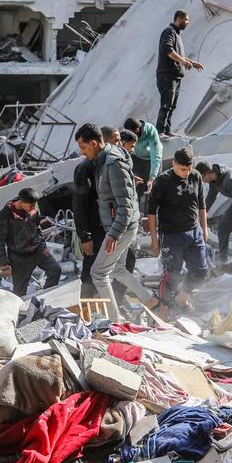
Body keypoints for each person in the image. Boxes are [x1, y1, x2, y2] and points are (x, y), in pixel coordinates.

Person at [77, 123, 139, 320]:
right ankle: (145, 301)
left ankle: (114, 320)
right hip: (116, 226)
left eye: (83, 147)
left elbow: (126, 206)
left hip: (121, 226)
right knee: (116, 270)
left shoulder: (112, 163)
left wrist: (114, 233)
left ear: (94, 143)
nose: (82, 152)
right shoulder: (104, 161)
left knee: (98, 272)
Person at [146, 148, 209, 311]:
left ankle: (181, 298)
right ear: (174, 164)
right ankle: (163, 310)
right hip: (171, 235)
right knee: (172, 274)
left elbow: (201, 204)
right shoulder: (163, 180)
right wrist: (154, 239)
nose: (187, 173)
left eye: (189, 168)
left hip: (194, 232)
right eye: (183, 169)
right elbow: (151, 211)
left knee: (200, 271)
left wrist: (204, 228)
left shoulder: (196, 176)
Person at [0, 187, 62, 296]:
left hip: (38, 249)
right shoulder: (6, 214)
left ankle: (45, 300)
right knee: (19, 293)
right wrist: (3, 263)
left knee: (55, 270)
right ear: (21, 202)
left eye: (35, 205)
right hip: (19, 257)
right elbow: (0, 240)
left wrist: (42, 243)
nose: (33, 208)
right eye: (31, 206)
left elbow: (37, 226)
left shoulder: (33, 208)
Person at [155, 10, 203, 137]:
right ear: (179, 19)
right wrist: (182, 61)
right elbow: (167, 49)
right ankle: (160, 131)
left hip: (175, 76)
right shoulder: (169, 31)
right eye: (186, 20)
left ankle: (166, 130)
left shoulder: (177, 34)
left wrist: (192, 62)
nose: (188, 22)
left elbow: (179, 55)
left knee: (172, 105)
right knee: (166, 104)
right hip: (167, 76)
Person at [72, 159, 106, 297]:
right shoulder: (85, 168)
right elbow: (79, 205)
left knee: (126, 262)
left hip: (110, 227)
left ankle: (113, 300)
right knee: (91, 266)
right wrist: (85, 236)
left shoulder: (114, 162)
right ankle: (86, 303)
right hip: (95, 228)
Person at [123, 117, 163, 191]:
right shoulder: (129, 132)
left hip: (150, 159)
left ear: (137, 130)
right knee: (137, 187)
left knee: (152, 187)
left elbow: (156, 155)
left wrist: (152, 178)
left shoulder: (151, 131)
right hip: (135, 157)